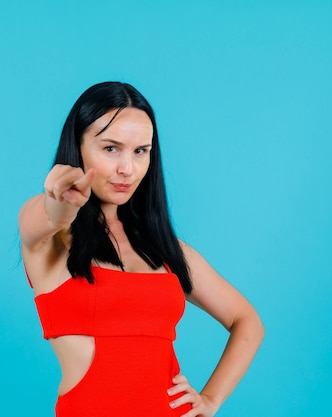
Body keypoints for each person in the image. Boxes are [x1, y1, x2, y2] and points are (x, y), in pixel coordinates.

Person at [19, 81, 264, 417]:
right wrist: (60, 202)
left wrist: (210, 399)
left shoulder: (166, 250)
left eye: (140, 151)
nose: (127, 169)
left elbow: (246, 320)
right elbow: (44, 215)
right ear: (78, 146)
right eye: (110, 149)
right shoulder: (53, 243)